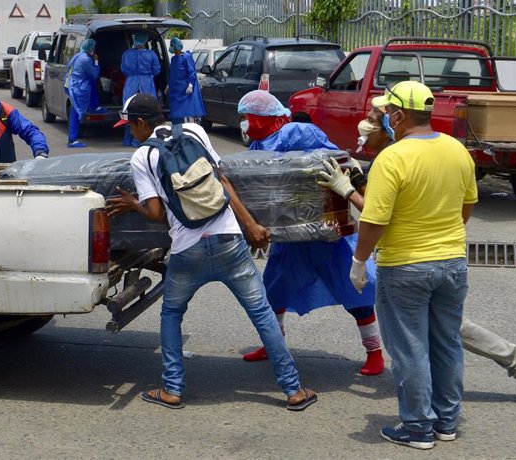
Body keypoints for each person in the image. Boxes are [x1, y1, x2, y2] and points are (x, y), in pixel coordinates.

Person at [322, 106, 516, 407]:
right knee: (446, 329)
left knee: (428, 337)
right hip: (443, 257)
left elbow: (379, 216)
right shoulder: (419, 149)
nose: (364, 127)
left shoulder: (396, 157)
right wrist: (358, 184)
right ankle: (511, 365)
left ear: (393, 122)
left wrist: (347, 193)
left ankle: (421, 419)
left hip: (410, 260)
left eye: (373, 121)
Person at [107, 93, 317, 411]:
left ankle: (172, 390)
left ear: (140, 123)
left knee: (172, 315)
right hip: (229, 242)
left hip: (187, 250)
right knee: (262, 314)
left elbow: (155, 213)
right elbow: (222, 180)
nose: (130, 133)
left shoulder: (142, 157)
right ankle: (293, 390)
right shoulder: (195, 131)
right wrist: (250, 226)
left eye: (130, 127)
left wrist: (131, 205)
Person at [350, 81, 477, 449]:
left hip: (405, 266)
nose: (383, 118)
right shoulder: (457, 150)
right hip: (452, 263)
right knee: (447, 344)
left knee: (410, 349)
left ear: (400, 115)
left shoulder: (392, 157)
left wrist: (359, 262)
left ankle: (418, 426)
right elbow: (466, 208)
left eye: (386, 112)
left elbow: (375, 220)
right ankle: (446, 422)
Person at [237, 90, 385, 376]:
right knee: (274, 288)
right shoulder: (257, 145)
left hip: (323, 228)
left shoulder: (295, 131)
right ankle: (273, 344)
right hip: (288, 232)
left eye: (247, 117)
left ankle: (374, 352)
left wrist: (347, 179)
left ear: (264, 115)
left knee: (354, 290)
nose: (244, 124)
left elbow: (333, 156)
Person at [120, 32, 160, 147]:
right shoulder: (151, 54)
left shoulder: (127, 54)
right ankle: (139, 140)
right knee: (146, 110)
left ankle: (127, 138)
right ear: (145, 41)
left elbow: (123, 69)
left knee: (128, 109)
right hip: (146, 82)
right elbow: (156, 70)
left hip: (131, 83)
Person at [63, 38, 104, 148]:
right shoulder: (86, 59)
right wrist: (96, 61)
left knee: (75, 111)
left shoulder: (77, 56)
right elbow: (94, 74)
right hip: (79, 87)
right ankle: (72, 140)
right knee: (76, 112)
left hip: (73, 84)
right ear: (90, 48)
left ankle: (72, 138)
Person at [167, 37, 206, 124]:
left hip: (184, 92)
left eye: (172, 45)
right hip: (175, 92)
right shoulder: (173, 59)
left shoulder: (186, 57)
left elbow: (192, 73)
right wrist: (169, 85)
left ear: (176, 47)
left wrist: (190, 85)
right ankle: (177, 132)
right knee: (176, 115)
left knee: (186, 113)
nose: (170, 48)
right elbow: (173, 75)